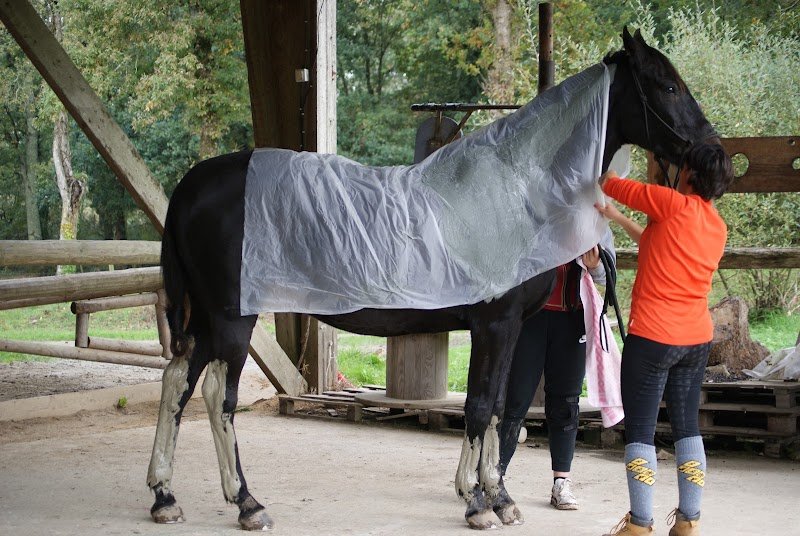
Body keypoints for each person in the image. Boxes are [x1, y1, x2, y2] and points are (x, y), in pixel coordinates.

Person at [595, 142, 734, 536]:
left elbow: (609, 181)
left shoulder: (670, 202)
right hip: (695, 340)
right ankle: (689, 520)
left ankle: (640, 524)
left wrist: (609, 150)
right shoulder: (716, 225)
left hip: (654, 337)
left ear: (687, 172)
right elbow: (657, 243)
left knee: (640, 430)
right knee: (687, 427)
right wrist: (617, 218)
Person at [499, 228, 616, 511]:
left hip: (572, 318)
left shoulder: (594, 219)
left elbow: (607, 274)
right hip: (530, 318)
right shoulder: (535, 212)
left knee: (566, 402)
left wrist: (595, 266)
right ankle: (493, 478)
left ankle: (561, 482)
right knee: (515, 400)